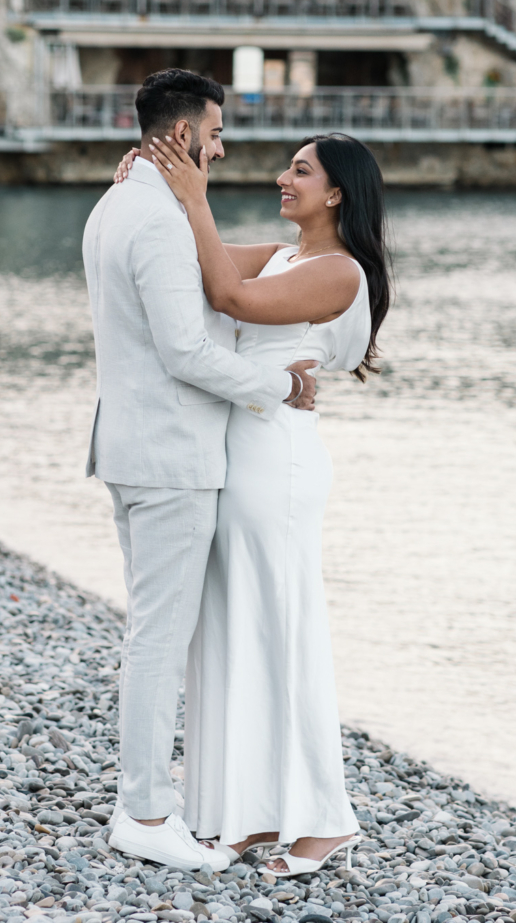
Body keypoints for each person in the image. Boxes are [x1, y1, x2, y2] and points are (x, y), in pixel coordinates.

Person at [82, 69, 320, 873]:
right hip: (172, 458)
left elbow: (216, 267)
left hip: (136, 448)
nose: (221, 148)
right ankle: (146, 812)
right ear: (183, 135)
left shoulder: (122, 201)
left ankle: (148, 803)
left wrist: (300, 254)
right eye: (215, 134)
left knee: (157, 631)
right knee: (158, 637)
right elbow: (185, 349)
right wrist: (277, 387)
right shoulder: (152, 218)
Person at [137, 128, 391, 881]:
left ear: (336, 191)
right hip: (235, 454)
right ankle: (247, 814)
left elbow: (228, 294)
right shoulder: (288, 254)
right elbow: (191, 256)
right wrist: (148, 179)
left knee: (282, 633)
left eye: (300, 170)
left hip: (275, 462)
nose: (284, 177)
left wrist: (193, 191)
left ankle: (324, 821)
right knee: (229, 631)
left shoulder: (339, 272)